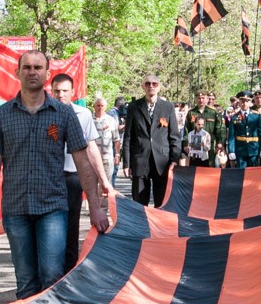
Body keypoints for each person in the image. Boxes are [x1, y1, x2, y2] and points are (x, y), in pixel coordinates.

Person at [0, 50, 110, 298]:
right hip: (15, 209)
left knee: (52, 275)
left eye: (38, 67)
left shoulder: (64, 114)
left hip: (52, 208)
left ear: (47, 74)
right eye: (27, 67)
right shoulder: (1, 115)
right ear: (17, 72)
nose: (32, 72)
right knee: (26, 281)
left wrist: (95, 207)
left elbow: (82, 161)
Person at [49, 73, 110, 272]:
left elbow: (91, 148)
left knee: (70, 228)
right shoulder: (43, 113)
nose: (60, 95)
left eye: (65, 91)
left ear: (73, 92)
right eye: (57, 91)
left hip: (72, 178)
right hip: (49, 178)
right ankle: (49, 274)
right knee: (49, 227)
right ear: (51, 91)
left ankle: (68, 273)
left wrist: (103, 179)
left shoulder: (82, 114)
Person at [121, 74, 182, 206]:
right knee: (139, 203)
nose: (151, 86)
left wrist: (174, 159)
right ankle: (142, 220)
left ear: (159, 87)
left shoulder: (168, 107)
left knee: (162, 203)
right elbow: (128, 137)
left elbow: (174, 136)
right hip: (140, 160)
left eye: (154, 84)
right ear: (143, 86)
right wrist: (126, 163)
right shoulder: (134, 107)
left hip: (162, 161)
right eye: (148, 83)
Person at [227, 92, 261, 167]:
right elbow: (231, 136)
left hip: (253, 149)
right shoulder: (234, 117)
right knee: (241, 172)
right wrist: (231, 150)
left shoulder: (256, 116)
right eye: (242, 101)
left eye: (247, 101)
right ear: (239, 102)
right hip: (240, 150)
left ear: (250, 102)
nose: (244, 104)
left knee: (253, 172)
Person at [186, 90, 226, 162]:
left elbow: (219, 129)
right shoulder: (191, 113)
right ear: (195, 99)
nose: (201, 100)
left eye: (203, 98)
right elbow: (186, 129)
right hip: (194, 147)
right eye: (199, 98)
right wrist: (185, 144)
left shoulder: (213, 112)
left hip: (209, 146)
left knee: (209, 167)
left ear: (207, 99)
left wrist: (220, 142)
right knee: (195, 166)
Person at [92, 94, 121, 185]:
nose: (100, 108)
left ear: (106, 107)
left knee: (106, 184)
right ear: (94, 106)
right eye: (98, 105)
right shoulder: (89, 120)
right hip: (92, 159)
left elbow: (116, 139)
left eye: (102, 106)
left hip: (107, 158)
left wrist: (117, 154)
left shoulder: (111, 120)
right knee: (92, 185)